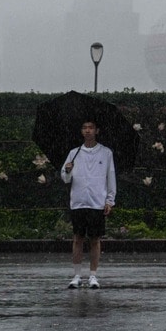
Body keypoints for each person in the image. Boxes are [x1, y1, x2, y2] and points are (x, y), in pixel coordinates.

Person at [61, 119, 116, 289]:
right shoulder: (74, 153)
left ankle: (93, 275)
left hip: (97, 202)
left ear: (97, 130)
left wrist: (110, 200)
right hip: (78, 201)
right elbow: (65, 178)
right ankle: (77, 275)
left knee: (95, 239)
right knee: (77, 238)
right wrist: (68, 170)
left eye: (91, 127)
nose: (88, 131)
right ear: (81, 131)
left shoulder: (106, 153)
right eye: (84, 128)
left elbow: (110, 176)